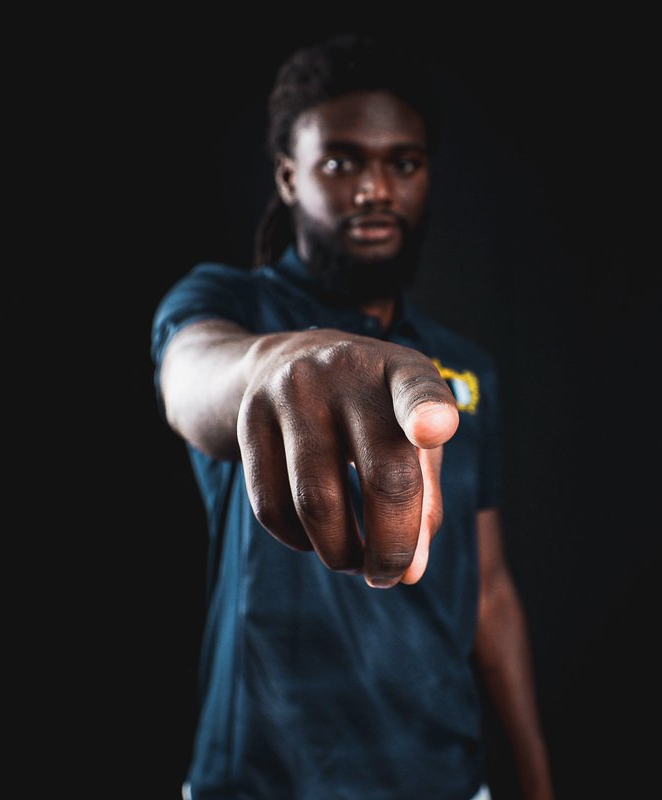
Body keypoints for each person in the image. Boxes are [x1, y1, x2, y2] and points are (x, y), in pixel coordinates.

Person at [152, 33, 553, 800]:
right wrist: (277, 367)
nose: (374, 189)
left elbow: (489, 590)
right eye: (341, 163)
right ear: (288, 176)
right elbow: (191, 379)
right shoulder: (230, 305)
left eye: (403, 163)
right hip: (262, 782)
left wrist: (536, 779)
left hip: (443, 778)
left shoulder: (463, 368)